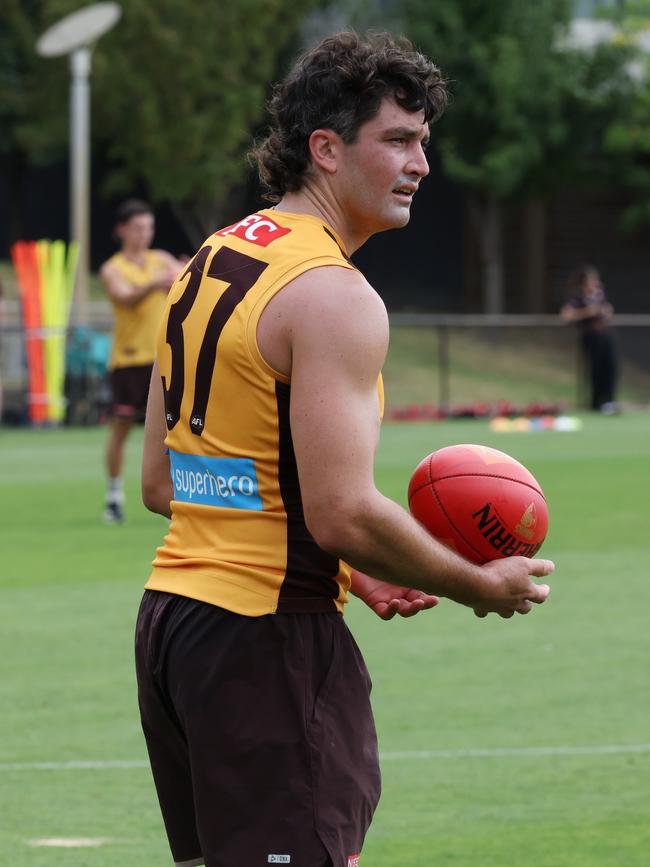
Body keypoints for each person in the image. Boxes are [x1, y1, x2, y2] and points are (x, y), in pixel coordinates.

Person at [137, 32, 554, 867]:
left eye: (423, 142)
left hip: (176, 628)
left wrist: (354, 566)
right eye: (398, 140)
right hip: (270, 642)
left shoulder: (209, 257)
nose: (421, 165)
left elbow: (162, 480)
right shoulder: (333, 295)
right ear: (325, 149)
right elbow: (342, 510)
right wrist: (481, 583)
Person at [100, 199, 183, 522]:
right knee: (122, 429)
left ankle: (177, 492)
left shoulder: (160, 259)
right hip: (129, 361)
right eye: (136, 228)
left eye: (148, 227)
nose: (143, 234)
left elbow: (184, 279)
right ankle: (114, 495)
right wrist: (153, 284)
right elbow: (123, 296)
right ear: (122, 230)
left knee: (176, 428)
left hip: (164, 358)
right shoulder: (112, 268)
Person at [560, 265, 618, 414]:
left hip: (605, 336)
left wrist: (607, 311)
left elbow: (606, 314)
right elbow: (566, 315)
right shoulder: (578, 297)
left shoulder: (599, 296)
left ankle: (609, 401)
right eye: (592, 281)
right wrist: (588, 312)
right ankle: (596, 402)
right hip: (591, 337)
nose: (595, 283)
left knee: (610, 367)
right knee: (595, 369)